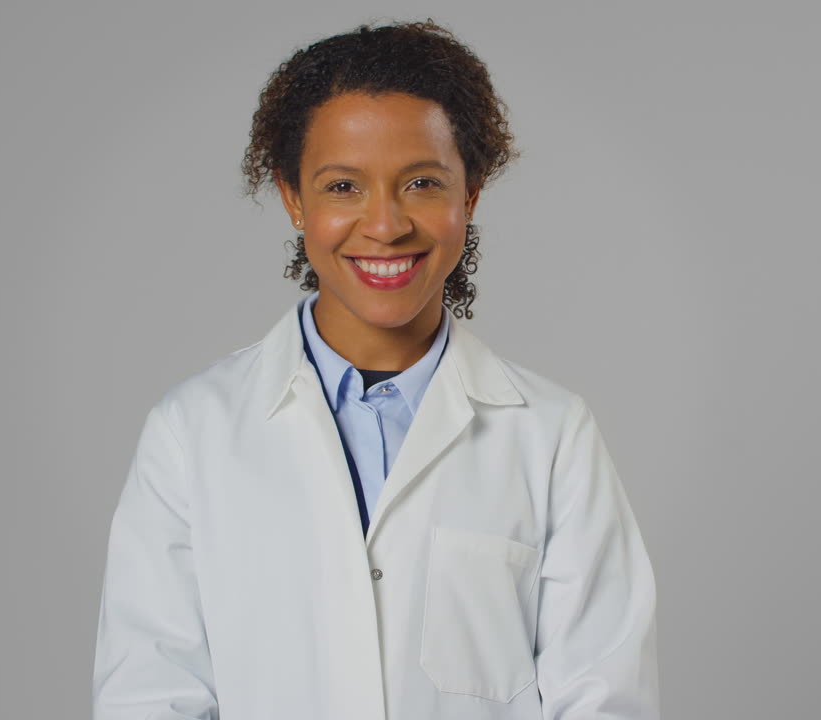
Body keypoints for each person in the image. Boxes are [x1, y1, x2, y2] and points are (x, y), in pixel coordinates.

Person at [91, 18, 660, 720]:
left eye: (421, 182)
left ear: (470, 194)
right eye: (342, 187)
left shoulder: (551, 436)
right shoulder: (192, 432)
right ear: (294, 198)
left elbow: (603, 699)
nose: (385, 224)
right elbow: (152, 696)